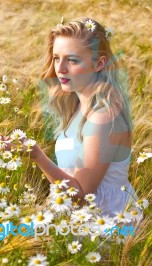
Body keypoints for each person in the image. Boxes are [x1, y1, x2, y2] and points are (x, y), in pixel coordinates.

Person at [10, 17, 136, 217]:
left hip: (104, 225)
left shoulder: (103, 116)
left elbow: (82, 195)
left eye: (72, 60)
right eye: (56, 58)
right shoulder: (77, 106)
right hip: (78, 218)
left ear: (99, 63)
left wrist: (37, 156)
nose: (60, 69)